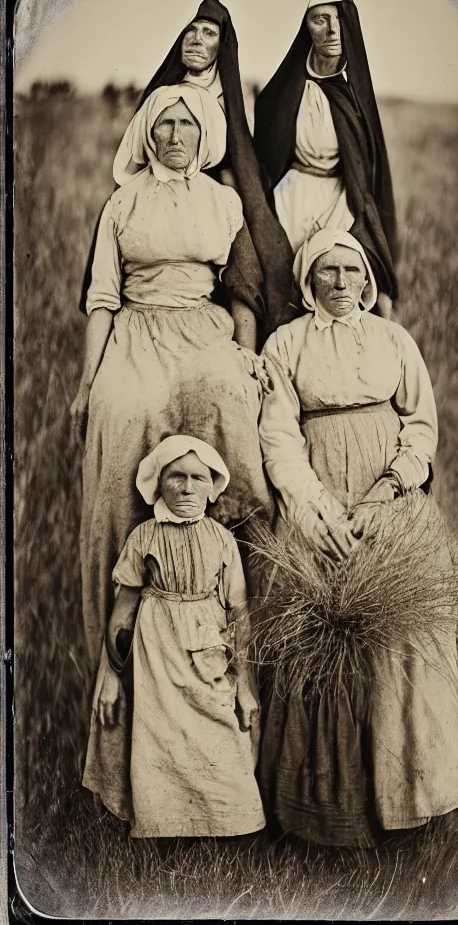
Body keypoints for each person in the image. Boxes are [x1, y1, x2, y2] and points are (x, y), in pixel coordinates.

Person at [256, 227, 458, 846]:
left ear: (368, 280)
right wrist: (314, 511)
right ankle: (321, 808)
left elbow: (421, 426)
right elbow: (279, 439)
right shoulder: (285, 346)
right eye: (329, 273)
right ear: (308, 283)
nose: (343, 284)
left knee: (407, 627)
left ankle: (406, 796)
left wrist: (389, 492)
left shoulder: (394, 340)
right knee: (315, 627)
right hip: (318, 505)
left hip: (389, 501)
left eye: (353, 273)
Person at [70, 84, 273, 679]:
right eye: (165, 126)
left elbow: (243, 291)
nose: (176, 136)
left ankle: (245, 581)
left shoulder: (223, 202)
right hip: (136, 330)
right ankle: (118, 630)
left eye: (187, 125)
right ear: (147, 135)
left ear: (204, 135)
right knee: (120, 411)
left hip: (203, 330)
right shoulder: (123, 204)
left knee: (229, 400)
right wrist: (87, 383)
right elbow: (102, 299)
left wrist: (247, 355)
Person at [79, 0, 295, 335]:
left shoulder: (233, 98)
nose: (196, 40)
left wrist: (228, 196)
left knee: (246, 264)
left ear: (221, 47)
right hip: (160, 185)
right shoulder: (165, 92)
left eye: (208, 34)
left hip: (217, 192)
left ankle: (247, 354)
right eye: (191, 32)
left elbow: (241, 157)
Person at [83, 436, 266, 838]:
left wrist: (246, 687)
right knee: (160, 742)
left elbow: (238, 613)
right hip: (158, 656)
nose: (186, 488)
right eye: (176, 478)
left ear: (212, 485)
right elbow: (123, 617)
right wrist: (112, 678)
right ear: (158, 484)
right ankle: (166, 831)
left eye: (198, 478)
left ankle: (227, 827)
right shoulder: (144, 537)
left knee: (221, 734)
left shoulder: (221, 539)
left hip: (208, 649)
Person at [253, 0, 398, 318]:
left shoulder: (352, 99)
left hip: (340, 199)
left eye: (338, 20)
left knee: (352, 281)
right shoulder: (284, 93)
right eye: (320, 19)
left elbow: (366, 170)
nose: (332, 30)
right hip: (291, 195)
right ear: (306, 27)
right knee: (277, 281)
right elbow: (266, 157)